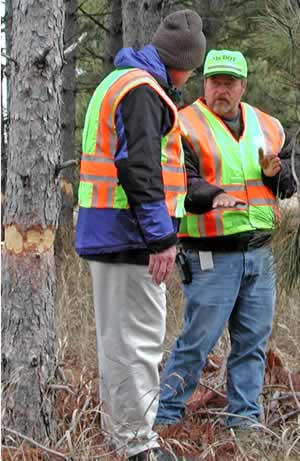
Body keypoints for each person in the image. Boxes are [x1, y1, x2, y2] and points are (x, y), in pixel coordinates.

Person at [75, 10, 206, 461]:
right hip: (131, 237)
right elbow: (141, 169)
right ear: (184, 63)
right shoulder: (142, 92)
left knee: (119, 341)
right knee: (140, 341)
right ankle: (138, 446)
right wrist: (161, 240)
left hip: (111, 233)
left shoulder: (120, 82)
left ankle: (123, 435)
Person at [155, 49, 297, 430]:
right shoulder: (182, 125)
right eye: (215, 81)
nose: (222, 90)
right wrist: (215, 196)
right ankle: (166, 417)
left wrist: (275, 175)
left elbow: (287, 187)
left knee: (252, 344)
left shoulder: (269, 126)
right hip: (210, 254)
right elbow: (182, 185)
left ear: (243, 86)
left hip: (261, 252)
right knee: (197, 342)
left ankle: (245, 421)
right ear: (205, 84)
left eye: (229, 83)